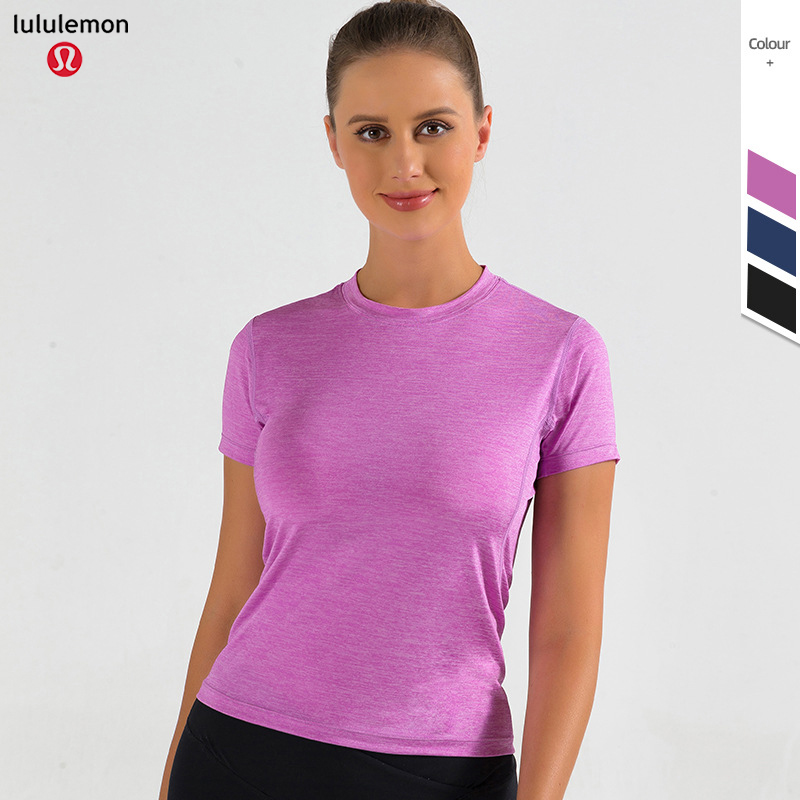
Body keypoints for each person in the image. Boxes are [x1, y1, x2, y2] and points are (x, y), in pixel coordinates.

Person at [159, 1, 620, 798]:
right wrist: (170, 777)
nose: (405, 162)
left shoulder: (559, 353)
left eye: (433, 127)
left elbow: (568, 630)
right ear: (334, 142)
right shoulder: (269, 347)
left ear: (482, 131)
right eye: (371, 131)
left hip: (441, 773)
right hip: (238, 751)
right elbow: (234, 583)